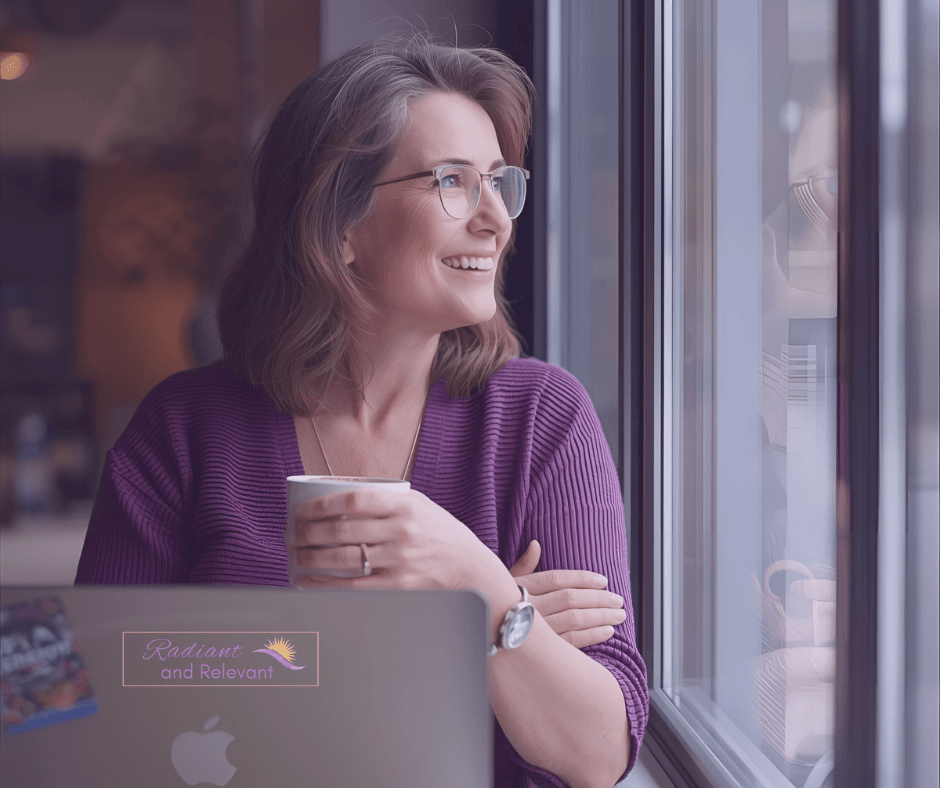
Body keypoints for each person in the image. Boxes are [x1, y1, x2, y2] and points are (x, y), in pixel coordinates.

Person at [75, 33, 648, 788]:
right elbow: (62, 698)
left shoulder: (542, 418)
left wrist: (478, 586)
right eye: (452, 181)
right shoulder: (183, 428)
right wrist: (433, 645)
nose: (495, 220)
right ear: (341, 225)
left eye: (499, 183)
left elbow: (601, 752)